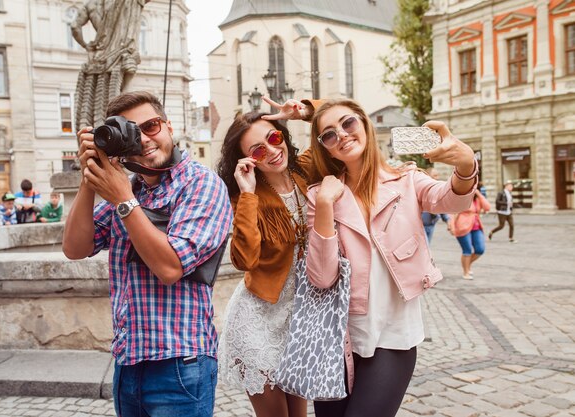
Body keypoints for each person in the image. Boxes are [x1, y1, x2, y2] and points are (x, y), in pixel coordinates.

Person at [62, 91, 231, 417]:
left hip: (180, 365)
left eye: (151, 126)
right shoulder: (128, 188)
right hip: (127, 363)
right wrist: (91, 176)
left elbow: (170, 268)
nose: (144, 139)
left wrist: (124, 200)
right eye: (131, 132)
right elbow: (75, 248)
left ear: (168, 126)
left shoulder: (201, 184)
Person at [305, 99, 478, 417]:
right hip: (336, 339)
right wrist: (327, 205)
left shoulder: (408, 180)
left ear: (364, 124)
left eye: (348, 123)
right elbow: (322, 276)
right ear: (325, 149)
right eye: (328, 135)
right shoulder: (320, 196)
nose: (341, 135)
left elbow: (451, 200)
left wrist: (466, 165)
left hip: (394, 334)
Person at [215, 97, 316, 417]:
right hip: (257, 321)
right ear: (247, 159)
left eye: (274, 138)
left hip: (299, 320)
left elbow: (349, 122)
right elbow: (244, 259)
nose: (271, 151)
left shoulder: (308, 171)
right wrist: (246, 194)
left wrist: (306, 112)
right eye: (257, 150)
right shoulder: (244, 196)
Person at [452, 190, 491, 280]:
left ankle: (467, 264)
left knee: (480, 249)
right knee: (467, 250)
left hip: (476, 227)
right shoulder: (461, 199)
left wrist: (479, 194)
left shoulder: (477, 199)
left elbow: (487, 207)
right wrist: (453, 227)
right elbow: (453, 213)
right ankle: (466, 272)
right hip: (463, 227)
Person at [421, 167, 453, 243]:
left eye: (437, 175)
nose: (437, 178)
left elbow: (440, 206)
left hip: (431, 225)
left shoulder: (436, 190)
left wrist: (447, 220)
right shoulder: (421, 189)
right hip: (420, 226)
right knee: (425, 249)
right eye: (435, 175)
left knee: (427, 248)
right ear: (427, 176)